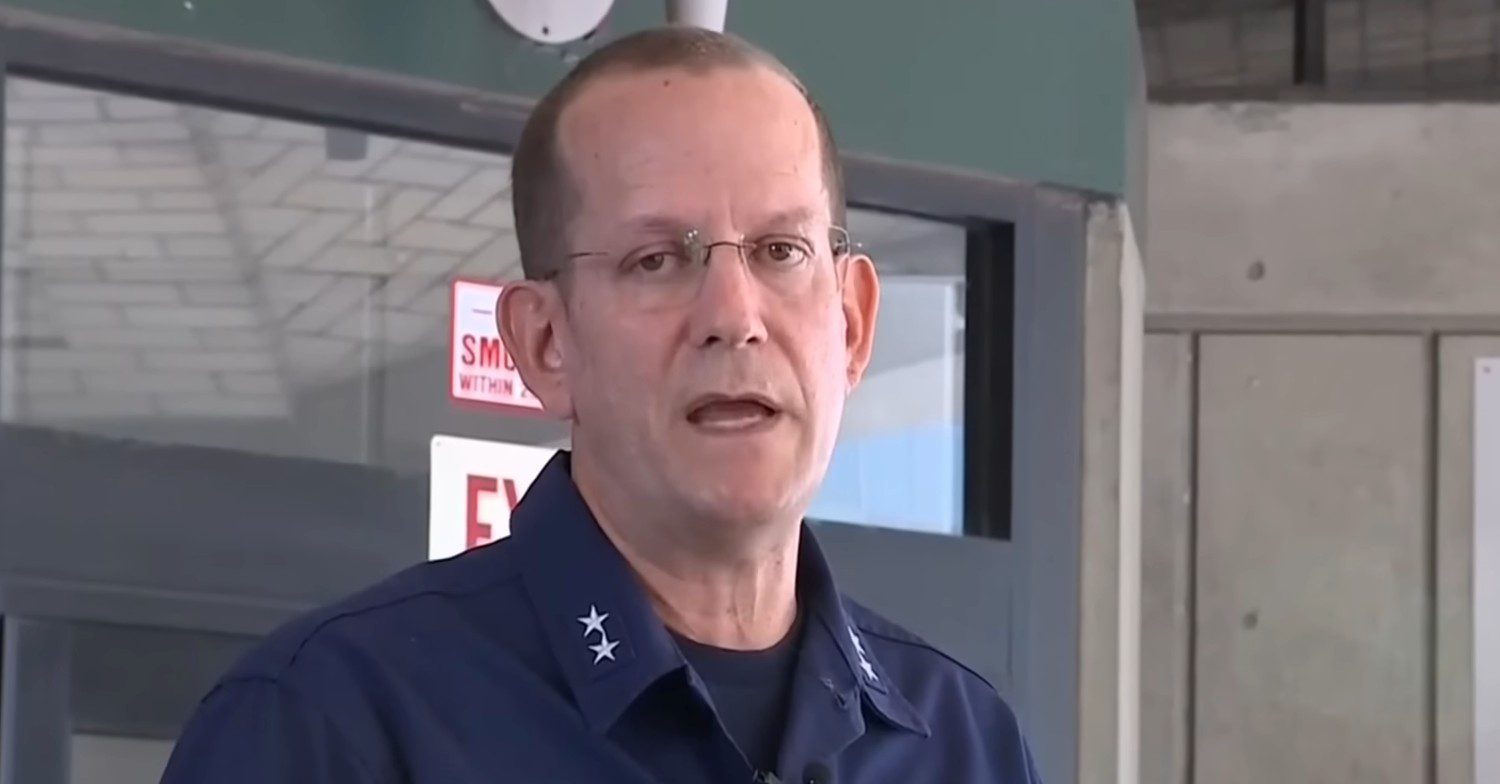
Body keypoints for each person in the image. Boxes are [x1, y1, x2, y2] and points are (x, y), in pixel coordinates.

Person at [160, 26, 1040, 784]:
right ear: (547, 344)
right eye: (657, 259)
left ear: (851, 322)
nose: (734, 316)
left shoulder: (966, 745)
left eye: (779, 250)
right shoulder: (332, 724)